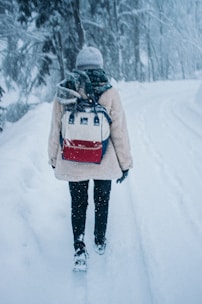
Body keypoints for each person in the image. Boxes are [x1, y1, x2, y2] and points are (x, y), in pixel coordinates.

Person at [48, 46, 133, 263]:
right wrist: (124, 163)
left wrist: (53, 157)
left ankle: (79, 245)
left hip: (72, 158)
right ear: (100, 65)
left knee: (78, 202)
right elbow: (119, 131)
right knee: (102, 200)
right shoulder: (110, 91)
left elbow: (55, 127)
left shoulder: (65, 90)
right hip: (103, 159)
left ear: (78, 66)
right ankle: (100, 239)